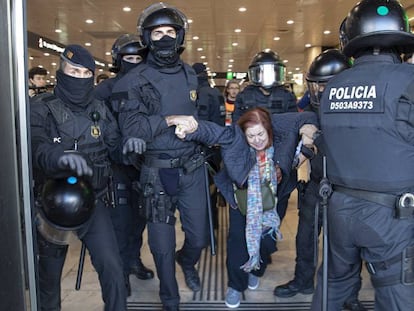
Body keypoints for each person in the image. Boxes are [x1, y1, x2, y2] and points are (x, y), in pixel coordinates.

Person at [310, 1, 414, 310]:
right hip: (391, 217)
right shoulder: (408, 80)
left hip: (339, 209)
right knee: (398, 296)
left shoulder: (334, 86)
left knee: (333, 287)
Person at [111, 3, 209, 310]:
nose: (165, 38)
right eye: (158, 32)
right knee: (161, 245)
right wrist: (170, 119)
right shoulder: (132, 80)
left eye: (170, 32)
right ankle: (170, 298)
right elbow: (132, 129)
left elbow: (198, 116)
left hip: (192, 168)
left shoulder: (191, 75)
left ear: (180, 36)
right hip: (156, 173)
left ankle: (188, 260)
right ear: (147, 38)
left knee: (199, 236)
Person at [172, 107, 319, 308]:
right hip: (242, 198)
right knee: (238, 243)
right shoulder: (234, 136)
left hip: (276, 197)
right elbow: (210, 131)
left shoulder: (282, 126)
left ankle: (256, 268)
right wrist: (188, 129)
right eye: (251, 136)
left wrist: (307, 137)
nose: (257, 140)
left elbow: (309, 116)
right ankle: (235, 285)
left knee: (267, 241)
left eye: (261, 134)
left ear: (269, 129)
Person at [30, 44, 127, 310]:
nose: (80, 78)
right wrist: (58, 158)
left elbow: (114, 148)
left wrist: (130, 147)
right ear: (60, 72)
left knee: (113, 268)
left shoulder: (101, 109)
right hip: (52, 205)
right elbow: (35, 146)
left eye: (87, 73)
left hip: (92, 201)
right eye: (74, 71)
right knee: (48, 279)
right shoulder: (41, 108)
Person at [274, 49, 367, 311]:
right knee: (305, 238)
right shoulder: (310, 109)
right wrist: (304, 124)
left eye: (327, 85)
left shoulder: (358, 113)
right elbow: (284, 119)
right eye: (317, 86)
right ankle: (302, 281)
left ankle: (350, 294)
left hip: (347, 189)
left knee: (348, 245)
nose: (321, 91)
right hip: (315, 184)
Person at [94, 33, 154, 297]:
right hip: (115, 165)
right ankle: (121, 273)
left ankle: (133, 260)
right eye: (129, 58)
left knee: (139, 219)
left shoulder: (150, 86)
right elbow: (96, 128)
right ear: (118, 60)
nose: (134, 63)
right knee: (120, 222)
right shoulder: (104, 91)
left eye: (138, 58)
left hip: (143, 164)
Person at [233, 49, 298, 222]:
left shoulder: (287, 96)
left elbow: (293, 128)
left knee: (280, 199)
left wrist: (282, 161)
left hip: (280, 154)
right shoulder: (244, 96)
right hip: (252, 156)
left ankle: (270, 233)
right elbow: (237, 129)